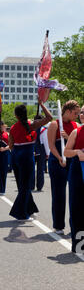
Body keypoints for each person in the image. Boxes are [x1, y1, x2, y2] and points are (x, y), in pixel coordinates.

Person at [9, 101, 52, 221]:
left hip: (16, 156)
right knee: (25, 186)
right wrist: (42, 104)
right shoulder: (32, 125)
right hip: (27, 157)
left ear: (16, 116)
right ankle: (20, 213)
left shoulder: (12, 128)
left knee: (22, 185)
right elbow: (49, 117)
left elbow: (11, 145)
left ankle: (31, 209)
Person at [47, 100, 80, 234]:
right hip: (57, 162)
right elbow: (51, 145)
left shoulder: (76, 125)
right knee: (59, 194)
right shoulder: (55, 125)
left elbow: (77, 145)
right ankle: (58, 225)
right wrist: (60, 158)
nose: (77, 116)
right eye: (75, 113)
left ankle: (76, 226)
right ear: (67, 111)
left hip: (72, 162)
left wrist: (67, 137)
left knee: (75, 195)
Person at [64, 105, 84, 253]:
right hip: (77, 170)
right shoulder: (76, 132)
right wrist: (77, 151)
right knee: (77, 207)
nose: (82, 115)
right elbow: (66, 151)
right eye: (81, 112)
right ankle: (79, 244)